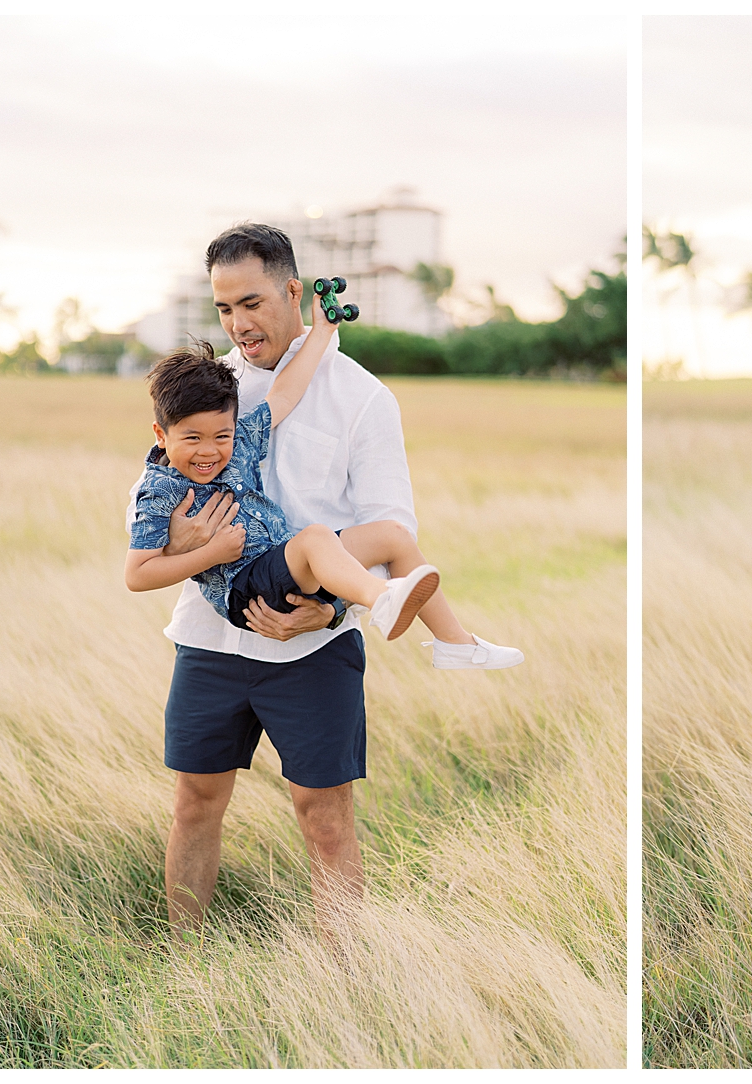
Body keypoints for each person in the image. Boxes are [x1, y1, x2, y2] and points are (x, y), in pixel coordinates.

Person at [127, 223, 520, 944]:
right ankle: (182, 954)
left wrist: (330, 608)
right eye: (223, 310)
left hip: (315, 646)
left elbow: (389, 522)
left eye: (251, 302)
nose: (239, 324)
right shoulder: (214, 388)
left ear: (293, 291)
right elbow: (162, 482)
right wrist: (187, 541)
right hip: (210, 637)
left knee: (325, 816)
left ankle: (343, 980)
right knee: (194, 803)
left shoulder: (365, 399)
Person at [126, 306, 444, 643]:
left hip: (282, 560)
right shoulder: (161, 488)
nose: (209, 451)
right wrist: (211, 553)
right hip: (246, 590)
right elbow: (138, 575)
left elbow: (285, 393)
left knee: (392, 535)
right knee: (315, 538)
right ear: (161, 435)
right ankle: (382, 598)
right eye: (193, 438)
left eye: (221, 436)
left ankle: (453, 642)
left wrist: (322, 331)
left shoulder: (240, 442)